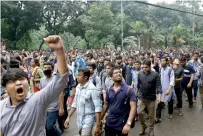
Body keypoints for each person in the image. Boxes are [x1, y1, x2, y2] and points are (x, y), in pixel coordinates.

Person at [0, 35, 68, 136]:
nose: (18, 83)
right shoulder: (1, 107)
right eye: (12, 81)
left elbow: (61, 79)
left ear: (27, 82)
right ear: (5, 88)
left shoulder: (38, 100)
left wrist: (59, 50)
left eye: (22, 79)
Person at [64, 68, 102, 136]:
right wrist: (68, 117)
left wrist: (97, 125)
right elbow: (75, 103)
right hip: (79, 120)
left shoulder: (92, 89)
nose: (77, 77)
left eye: (79, 75)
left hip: (88, 120)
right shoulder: (78, 87)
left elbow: (98, 108)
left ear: (85, 77)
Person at [100, 67, 137, 136]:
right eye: (115, 73)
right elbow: (105, 105)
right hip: (110, 123)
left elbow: (133, 107)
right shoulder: (109, 90)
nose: (118, 74)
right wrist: (100, 120)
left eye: (119, 72)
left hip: (122, 125)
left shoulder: (129, 90)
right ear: (111, 77)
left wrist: (128, 124)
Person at [137, 59, 161, 136]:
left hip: (151, 98)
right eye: (143, 67)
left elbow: (159, 86)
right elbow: (138, 84)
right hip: (142, 97)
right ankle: (144, 126)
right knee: (139, 112)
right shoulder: (140, 74)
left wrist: (159, 96)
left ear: (150, 67)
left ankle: (151, 129)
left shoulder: (155, 75)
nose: (144, 69)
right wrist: (137, 92)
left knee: (151, 116)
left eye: (146, 67)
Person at [40, 61, 64, 136]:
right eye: (45, 68)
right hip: (44, 107)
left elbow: (61, 93)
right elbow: (42, 93)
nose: (46, 69)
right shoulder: (42, 80)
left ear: (52, 69)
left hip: (53, 107)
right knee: (45, 127)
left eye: (48, 68)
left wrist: (61, 107)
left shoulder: (56, 79)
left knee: (50, 127)